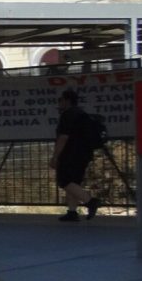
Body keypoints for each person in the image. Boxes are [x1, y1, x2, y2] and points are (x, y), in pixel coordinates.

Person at [51, 90, 100, 222]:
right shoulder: (82, 114)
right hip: (84, 153)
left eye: (60, 100)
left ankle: (90, 201)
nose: (59, 103)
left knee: (64, 181)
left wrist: (55, 156)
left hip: (71, 153)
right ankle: (72, 212)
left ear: (67, 100)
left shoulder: (68, 115)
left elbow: (63, 137)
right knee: (74, 182)